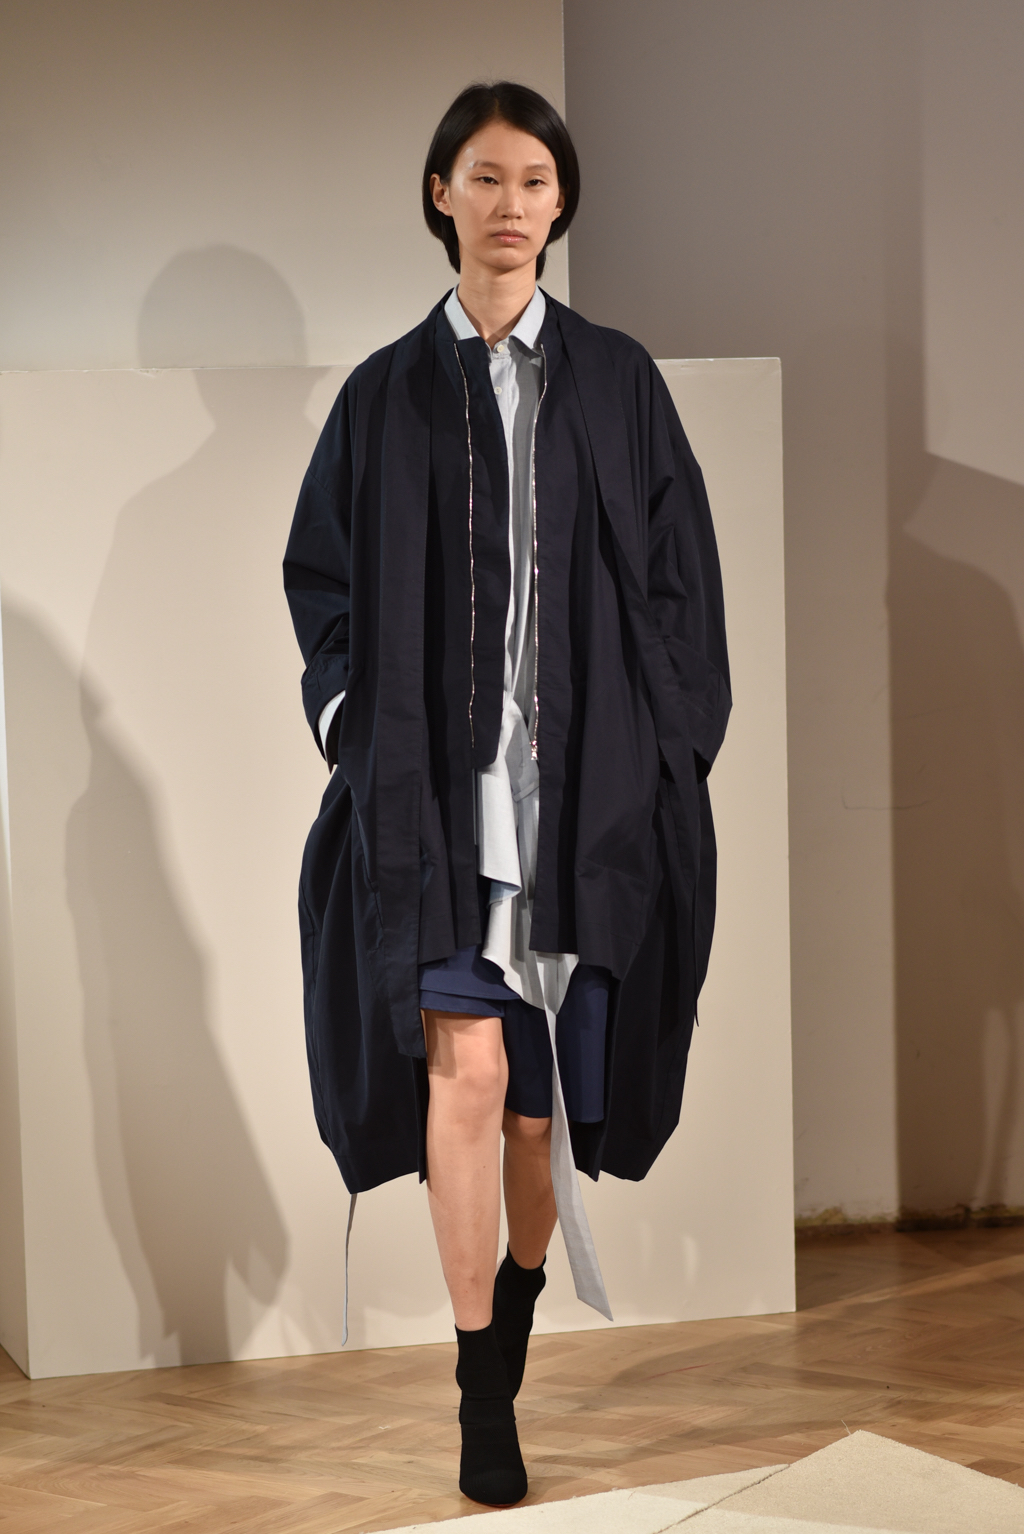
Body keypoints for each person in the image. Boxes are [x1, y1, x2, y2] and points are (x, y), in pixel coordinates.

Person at [284, 81, 730, 1508]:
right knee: (465, 1075)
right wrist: (350, 721)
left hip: (582, 804)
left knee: (542, 1120)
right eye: (486, 176)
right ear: (441, 194)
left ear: (559, 202)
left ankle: (515, 1311)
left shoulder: (617, 381)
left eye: (535, 180)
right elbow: (321, 580)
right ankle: (483, 1389)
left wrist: (673, 746)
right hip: (439, 804)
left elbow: (683, 580)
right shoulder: (384, 394)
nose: (512, 204)